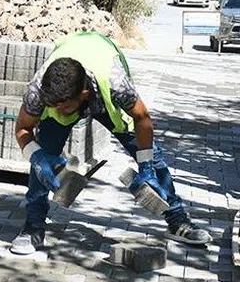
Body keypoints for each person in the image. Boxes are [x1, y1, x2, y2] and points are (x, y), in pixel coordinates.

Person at [11, 31, 212, 255]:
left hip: (103, 89)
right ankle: (33, 227)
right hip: (73, 73)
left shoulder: (115, 83)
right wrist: (37, 157)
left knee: (151, 156)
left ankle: (178, 221)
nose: (58, 111)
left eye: (64, 107)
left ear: (84, 94)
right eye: (54, 106)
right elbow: (22, 128)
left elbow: (142, 118)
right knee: (42, 162)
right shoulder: (38, 90)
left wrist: (145, 167)